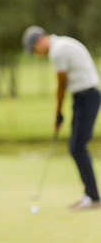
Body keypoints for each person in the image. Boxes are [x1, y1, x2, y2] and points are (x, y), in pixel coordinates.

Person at [22, 26, 101, 210]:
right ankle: (90, 195)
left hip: (88, 96)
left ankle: (93, 197)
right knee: (75, 147)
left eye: (34, 49)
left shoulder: (58, 51)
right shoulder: (61, 45)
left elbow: (61, 85)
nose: (36, 54)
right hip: (82, 97)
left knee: (77, 147)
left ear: (40, 41)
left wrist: (57, 113)